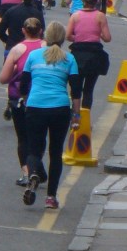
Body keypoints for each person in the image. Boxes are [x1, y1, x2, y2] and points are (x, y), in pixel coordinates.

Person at [20, 21, 82, 210]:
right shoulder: (70, 59)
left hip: (35, 106)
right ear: (63, 39)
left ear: (45, 36)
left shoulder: (33, 55)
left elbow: (23, 86)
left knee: (33, 149)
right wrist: (76, 116)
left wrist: (26, 99)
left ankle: (33, 175)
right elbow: (76, 92)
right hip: (59, 108)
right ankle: (51, 197)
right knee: (56, 153)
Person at [0, 18, 46, 186]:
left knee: (23, 137)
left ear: (23, 31)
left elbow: (3, 78)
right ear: (40, 31)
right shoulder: (47, 48)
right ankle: (36, 167)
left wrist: (17, 71)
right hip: (42, 97)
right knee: (39, 136)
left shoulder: (17, 50)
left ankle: (26, 172)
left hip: (19, 97)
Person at [65, 0, 111, 108]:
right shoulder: (101, 16)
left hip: (78, 55)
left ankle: (76, 116)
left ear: (82, 0)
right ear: (96, 1)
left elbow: (68, 35)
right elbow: (107, 38)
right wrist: (97, 34)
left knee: (76, 88)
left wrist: (79, 37)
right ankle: (85, 118)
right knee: (88, 90)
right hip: (94, 56)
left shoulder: (75, 16)